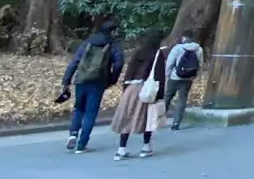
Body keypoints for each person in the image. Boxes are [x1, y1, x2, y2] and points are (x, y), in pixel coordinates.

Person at [62, 19, 124, 153]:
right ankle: (81, 145)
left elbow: (75, 61)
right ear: (113, 31)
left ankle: (73, 134)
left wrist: (66, 80)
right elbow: (118, 64)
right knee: (91, 112)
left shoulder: (88, 42)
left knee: (79, 108)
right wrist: (112, 80)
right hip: (98, 81)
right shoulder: (114, 44)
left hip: (81, 79)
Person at [110, 30, 167, 161]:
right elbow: (159, 76)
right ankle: (146, 147)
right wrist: (160, 94)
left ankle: (121, 149)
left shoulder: (138, 52)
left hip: (131, 88)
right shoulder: (157, 54)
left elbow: (129, 71)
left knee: (127, 116)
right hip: (146, 89)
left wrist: (125, 88)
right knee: (147, 118)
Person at [164, 30, 203, 131]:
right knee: (182, 99)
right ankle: (176, 123)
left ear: (183, 37)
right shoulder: (198, 49)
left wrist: (167, 74)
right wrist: (194, 75)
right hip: (188, 78)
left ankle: (160, 119)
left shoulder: (177, 48)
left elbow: (170, 62)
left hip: (175, 77)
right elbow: (200, 63)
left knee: (168, 96)